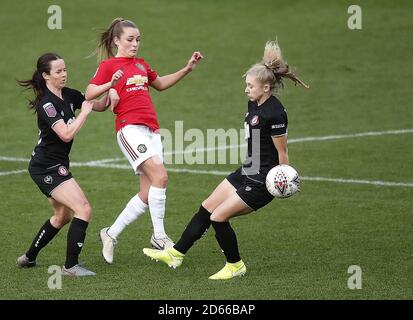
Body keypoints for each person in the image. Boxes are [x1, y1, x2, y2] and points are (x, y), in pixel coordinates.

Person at [143, 40, 308, 280]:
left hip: (262, 181)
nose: (246, 90)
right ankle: (176, 254)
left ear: (265, 88)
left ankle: (235, 265)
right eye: (246, 85)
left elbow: (282, 153)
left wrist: (282, 180)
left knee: (218, 217)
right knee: (207, 207)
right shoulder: (254, 102)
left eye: (250, 86)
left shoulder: (275, 112)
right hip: (247, 169)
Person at [85, 18, 203, 264]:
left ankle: (110, 233)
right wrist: (111, 83)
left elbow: (159, 84)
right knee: (161, 177)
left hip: (151, 130)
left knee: (148, 192)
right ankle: (159, 236)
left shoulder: (141, 64)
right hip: (129, 129)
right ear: (117, 40)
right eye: (129, 39)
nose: (135, 44)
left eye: (138, 39)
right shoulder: (109, 65)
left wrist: (186, 69)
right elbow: (89, 93)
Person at [16, 53, 110, 276]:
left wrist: (111, 88)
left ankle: (28, 258)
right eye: (58, 71)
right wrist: (84, 114)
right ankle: (71, 266)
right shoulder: (47, 104)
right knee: (83, 209)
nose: (64, 74)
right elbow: (66, 134)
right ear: (45, 75)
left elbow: (99, 105)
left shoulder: (68, 94)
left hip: (55, 164)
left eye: (65, 70)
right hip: (46, 167)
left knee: (62, 217)